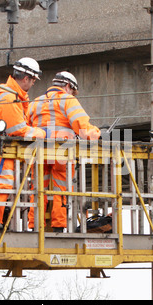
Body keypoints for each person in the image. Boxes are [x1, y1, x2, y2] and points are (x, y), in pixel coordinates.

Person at [0, 57, 46, 228]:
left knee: (2, 185)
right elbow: (19, 130)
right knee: (1, 185)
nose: (34, 84)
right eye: (34, 80)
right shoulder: (9, 98)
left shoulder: (12, 95)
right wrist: (41, 132)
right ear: (26, 78)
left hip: (2, 150)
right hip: (0, 151)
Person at [26, 71, 101, 232]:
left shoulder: (36, 102)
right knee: (61, 189)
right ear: (68, 86)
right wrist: (96, 134)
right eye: (73, 91)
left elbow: (24, 126)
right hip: (61, 152)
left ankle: (34, 225)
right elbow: (82, 126)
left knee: (37, 189)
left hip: (38, 152)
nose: (73, 94)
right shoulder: (68, 100)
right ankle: (59, 226)